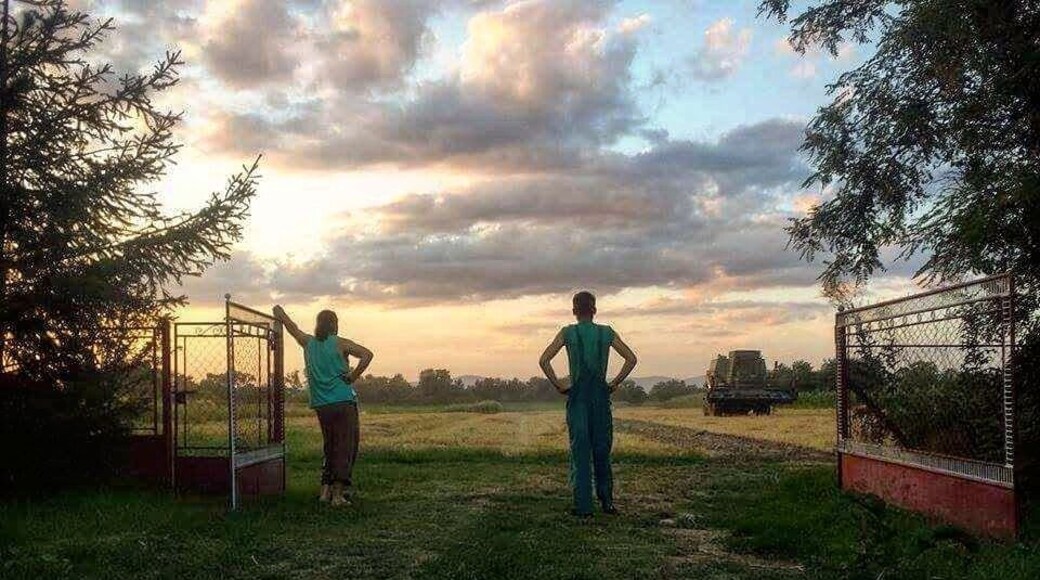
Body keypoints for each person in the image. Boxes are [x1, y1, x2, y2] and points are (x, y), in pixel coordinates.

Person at [538, 291, 637, 517]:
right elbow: (631, 359)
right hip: (601, 399)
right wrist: (614, 383)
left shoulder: (567, 333)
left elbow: (544, 360)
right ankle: (607, 502)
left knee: (580, 450)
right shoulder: (606, 333)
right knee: (602, 450)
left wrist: (559, 385)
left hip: (578, 399)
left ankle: (583, 506)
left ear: (574, 311)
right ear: (594, 310)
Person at [273, 305, 373, 506]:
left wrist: (280, 314)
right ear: (334, 325)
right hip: (343, 402)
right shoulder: (340, 343)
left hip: (321, 405)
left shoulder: (307, 342)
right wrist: (353, 376)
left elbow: (292, 327)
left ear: (318, 324)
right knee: (345, 448)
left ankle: (324, 492)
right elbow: (367, 354)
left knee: (330, 447)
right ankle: (338, 496)